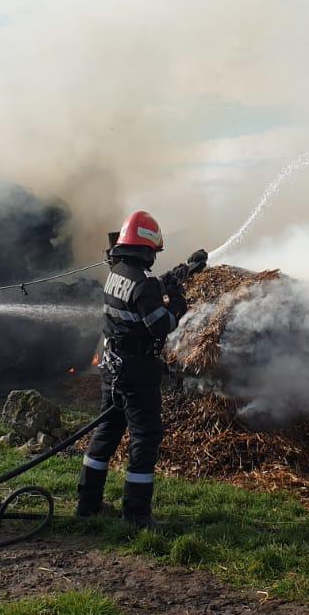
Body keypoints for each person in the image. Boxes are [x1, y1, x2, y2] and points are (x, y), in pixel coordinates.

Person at [75, 211, 206, 528]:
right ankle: (136, 515)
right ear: (146, 248)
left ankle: (87, 504)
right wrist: (178, 300)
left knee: (106, 432)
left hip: (113, 366)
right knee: (145, 436)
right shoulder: (144, 285)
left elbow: (143, 290)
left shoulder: (116, 272)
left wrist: (180, 273)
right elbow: (162, 325)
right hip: (137, 371)